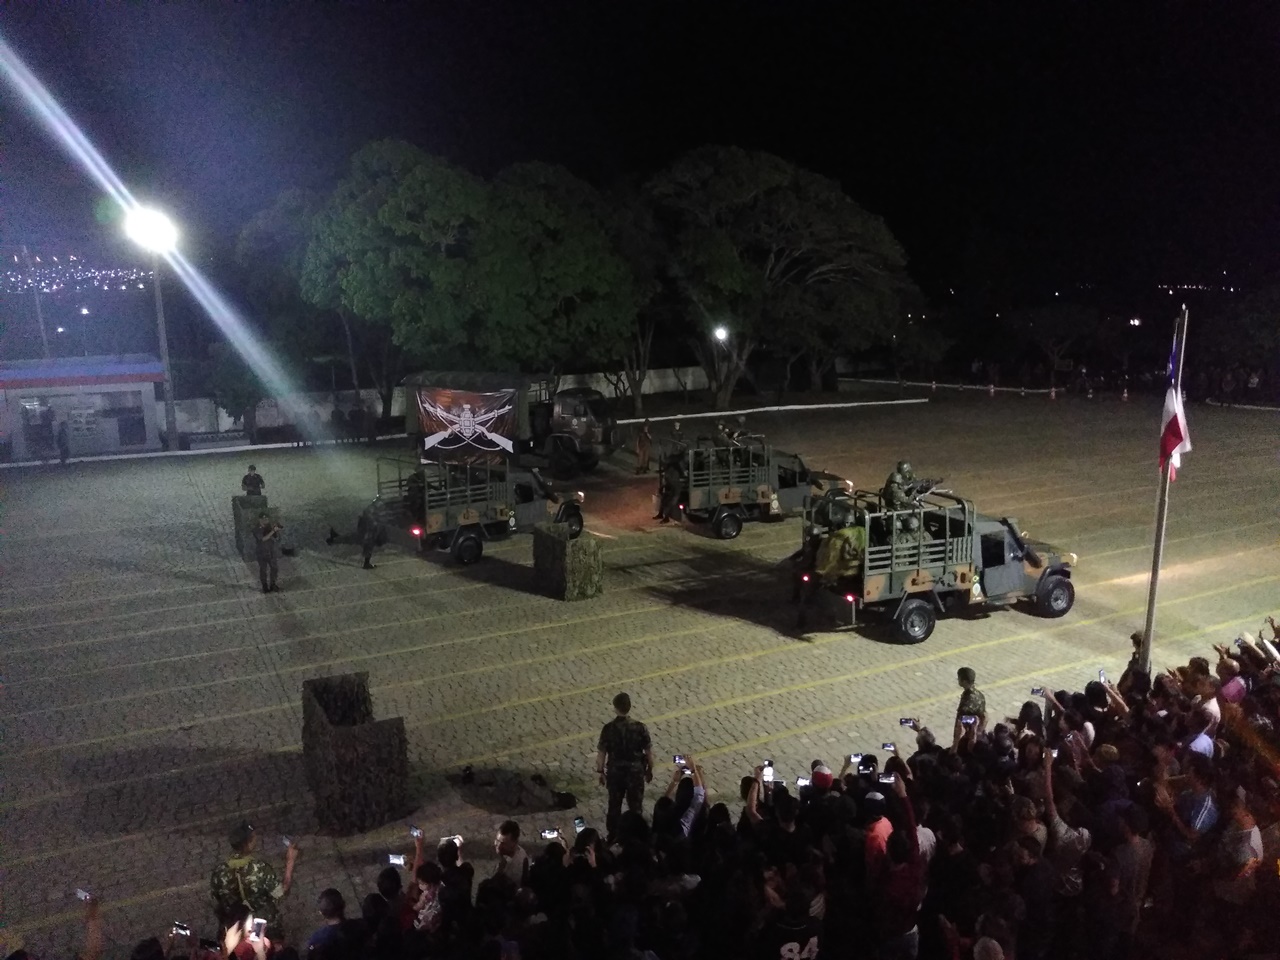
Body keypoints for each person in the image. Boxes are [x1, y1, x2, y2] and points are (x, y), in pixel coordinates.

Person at [210, 821, 299, 934]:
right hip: (263, 925)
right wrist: (290, 861)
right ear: (248, 843)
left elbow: (216, 900)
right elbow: (282, 892)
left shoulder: (219, 871)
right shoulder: (260, 869)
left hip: (235, 926)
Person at [597, 691, 654, 838]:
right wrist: (649, 770)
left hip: (615, 773)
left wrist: (601, 772)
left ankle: (613, 835)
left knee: (614, 805)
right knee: (636, 806)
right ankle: (637, 835)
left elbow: (601, 754)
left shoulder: (608, 729)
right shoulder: (640, 727)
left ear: (615, 708)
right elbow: (649, 752)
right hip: (635, 773)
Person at [954, 667, 987, 744]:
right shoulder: (979, 694)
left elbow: (962, 722)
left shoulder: (967, 702)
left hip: (967, 738)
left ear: (964, 681)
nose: (958, 680)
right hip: (977, 735)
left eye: (959, 678)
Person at [492, 820, 528, 887]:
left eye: (503, 843)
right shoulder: (505, 852)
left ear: (515, 843)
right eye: (497, 840)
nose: (498, 846)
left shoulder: (516, 867)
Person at [254, 513, 282, 593]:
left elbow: (277, 538)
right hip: (261, 552)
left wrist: (277, 531)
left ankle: (273, 584)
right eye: (264, 518)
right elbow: (263, 539)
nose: (266, 520)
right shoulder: (257, 529)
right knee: (263, 570)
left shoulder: (269, 527)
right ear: (260, 520)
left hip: (271, 551)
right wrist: (273, 531)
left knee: (274, 568)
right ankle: (265, 586)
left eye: (267, 518)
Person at [656, 455, 682, 524]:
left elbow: (673, 484)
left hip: (674, 491)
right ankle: (661, 514)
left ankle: (666, 518)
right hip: (671, 489)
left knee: (669, 504)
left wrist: (667, 490)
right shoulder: (669, 472)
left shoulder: (673, 472)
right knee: (663, 501)